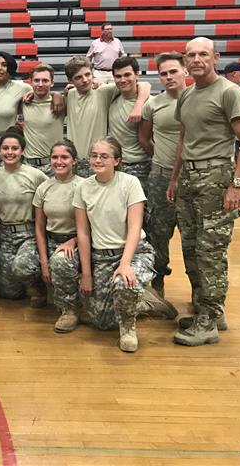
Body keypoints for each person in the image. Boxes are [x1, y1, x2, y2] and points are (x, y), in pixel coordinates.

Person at [168, 37, 240, 346]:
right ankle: (206, 311)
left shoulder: (229, 92)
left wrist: (236, 185)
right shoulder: (187, 94)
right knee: (191, 248)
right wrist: (175, 178)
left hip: (216, 176)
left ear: (215, 58)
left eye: (203, 54)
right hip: (189, 177)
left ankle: (210, 318)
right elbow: (184, 139)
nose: (196, 59)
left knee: (211, 250)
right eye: (191, 55)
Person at [73, 137, 158, 353]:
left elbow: (135, 227)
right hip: (102, 256)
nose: (98, 160)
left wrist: (125, 263)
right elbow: (83, 232)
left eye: (104, 156)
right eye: (94, 155)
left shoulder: (130, 183)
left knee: (125, 283)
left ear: (117, 161)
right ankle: (145, 302)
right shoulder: (83, 187)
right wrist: (86, 274)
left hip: (134, 252)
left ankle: (128, 327)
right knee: (102, 323)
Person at [138, 52, 191, 296]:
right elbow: (144, 138)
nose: (168, 77)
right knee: (158, 233)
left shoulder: (198, 99)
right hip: (161, 177)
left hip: (192, 177)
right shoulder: (153, 104)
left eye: (173, 71)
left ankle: (199, 291)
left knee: (193, 236)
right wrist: (161, 158)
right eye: (163, 73)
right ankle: (157, 283)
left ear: (185, 71)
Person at [0, 129, 48, 304]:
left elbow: (51, 195)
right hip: (5, 235)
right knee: (9, 293)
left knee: (22, 267)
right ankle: (17, 283)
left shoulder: (35, 175)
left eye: (14, 148)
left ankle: (38, 287)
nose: (10, 152)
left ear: (22, 151)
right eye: (5, 148)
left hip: (29, 234)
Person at [63, 56, 149, 178]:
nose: (85, 80)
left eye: (88, 74)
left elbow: (144, 84)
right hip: (74, 162)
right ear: (70, 80)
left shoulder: (103, 92)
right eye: (78, 77)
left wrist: (138, 105)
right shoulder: (69, 95)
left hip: (97, 161)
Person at [34, 140, 84, 333]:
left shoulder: (84, 186)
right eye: (55, 157)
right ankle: (44, 290)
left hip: (78, 241)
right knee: (23, 264)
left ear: (74, 161)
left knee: (61, 261)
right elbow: (39, 227)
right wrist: (43, 261)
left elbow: (92, 226)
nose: (59, 161)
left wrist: (74, 241)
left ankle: (69, 309)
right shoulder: (43, 188)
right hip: (51, 239)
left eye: (64, 157)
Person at [108, 57, 152, 190]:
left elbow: (148, 140)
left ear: (137, 74)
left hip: (140, 166)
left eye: (127, 75)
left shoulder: (149, 103)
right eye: (118, 76)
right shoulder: (112, 97)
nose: (122, 80)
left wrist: (139, 104)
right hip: (116, 166)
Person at [21, 64, 63, 176]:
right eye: (36, 80)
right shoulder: (24, 102)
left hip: (53, 166)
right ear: (31, 82)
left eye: (45, 80)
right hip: (29, 165)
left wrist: (57, 94)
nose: (40, 84)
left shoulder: (61, 103)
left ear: (52, 83)